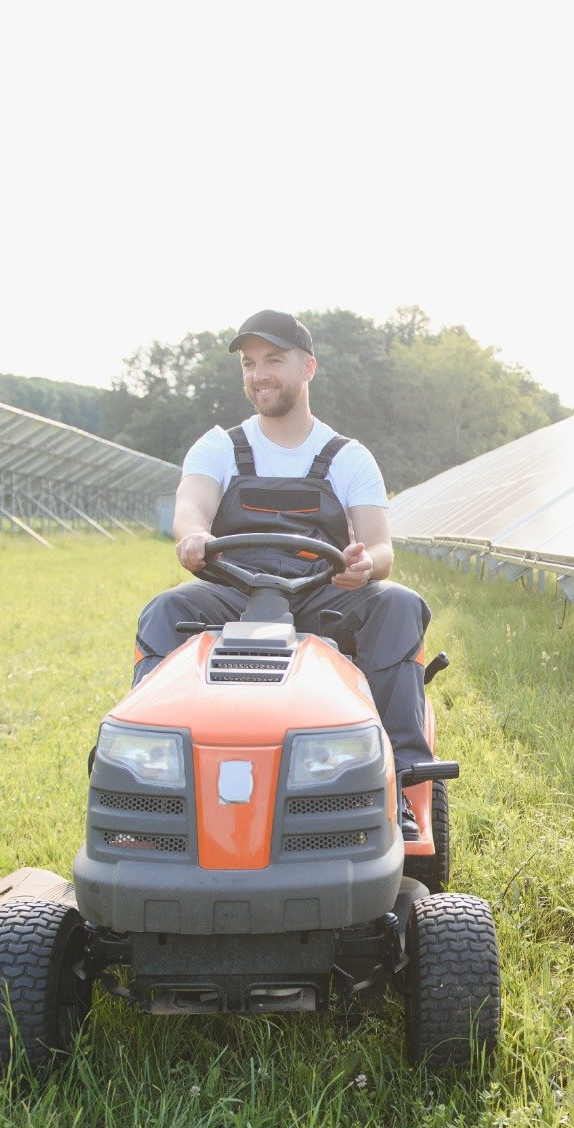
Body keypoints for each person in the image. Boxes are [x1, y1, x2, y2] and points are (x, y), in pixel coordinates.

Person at [132, 308, 436, 783]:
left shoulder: (347, 457)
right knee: (164, 611)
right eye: (249, 365)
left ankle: (404, 775)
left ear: (308, 367)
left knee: (398, 604)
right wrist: (193, 534)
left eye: (273, 360)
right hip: (235, 593)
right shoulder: (219, 447)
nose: (259, 375)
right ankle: (151, 769)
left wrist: (365, 564)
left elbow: (381, 549)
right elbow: (191, 505)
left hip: (323, 592)